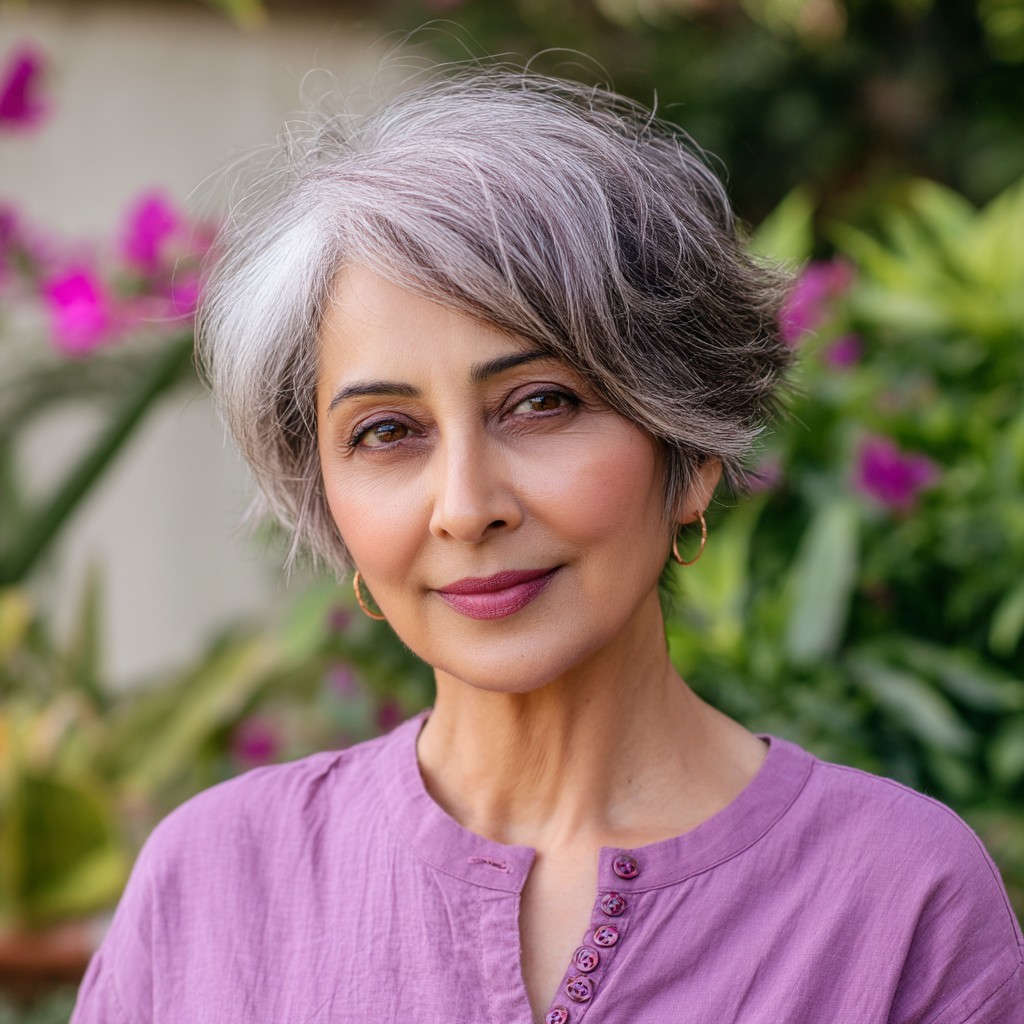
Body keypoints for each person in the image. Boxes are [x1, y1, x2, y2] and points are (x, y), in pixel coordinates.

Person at [71, 67, 1022, 1024]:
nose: (465, 506)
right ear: (327, 501)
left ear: (687, 451)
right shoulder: (212, 885)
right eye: (387, 432)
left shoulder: (900, 901)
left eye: (541, 404)